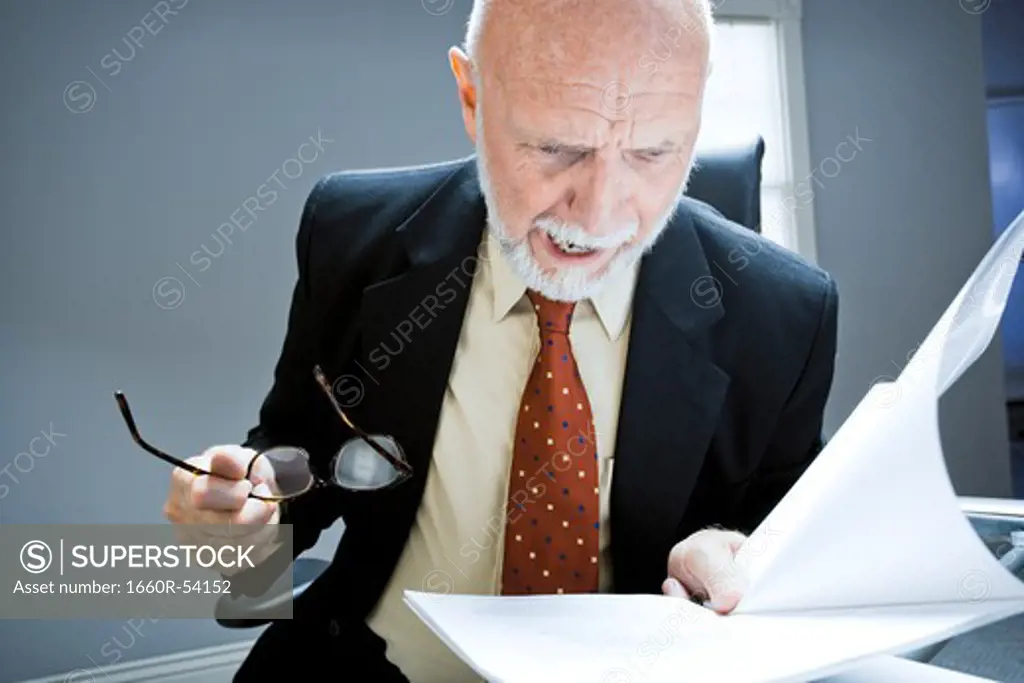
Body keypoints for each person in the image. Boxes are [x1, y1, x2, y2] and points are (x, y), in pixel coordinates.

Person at [163, 0, 838, 680]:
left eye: (653, 151)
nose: (600, 214)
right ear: (472, 95)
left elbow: (788, 561)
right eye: (555, 147)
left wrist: (733, 557)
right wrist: (236, 531)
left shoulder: (786, 313)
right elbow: (294, 472)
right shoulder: (351, 235)